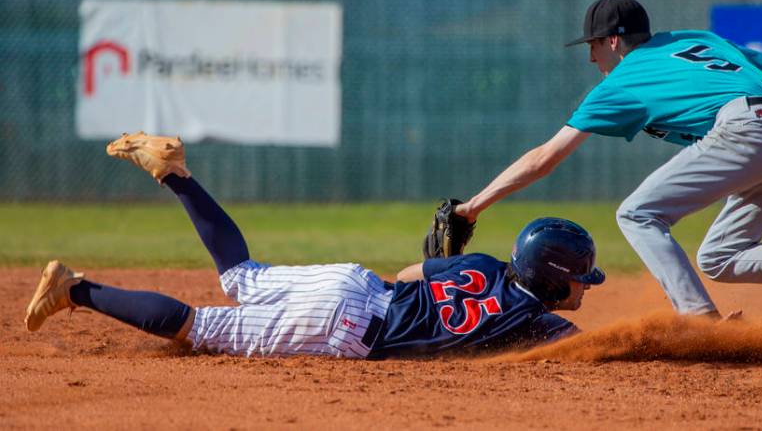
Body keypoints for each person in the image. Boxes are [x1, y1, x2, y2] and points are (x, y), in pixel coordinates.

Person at [453, 0, 762, 337]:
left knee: (637, 213)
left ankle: (698, 321)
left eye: (594, 45)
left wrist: (472, 207)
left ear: (614, 41)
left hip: (750, 128)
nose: (591, 58)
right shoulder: (691, 40)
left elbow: (545, 158)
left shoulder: (623, 78)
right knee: (719, 257)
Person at [24, 132, 605, 358]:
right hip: (348, 326)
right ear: (552, 276)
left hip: (355, 284)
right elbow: (596, 347)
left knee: (242, 276)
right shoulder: (537, 323)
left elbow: (409, 274)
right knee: (200, 329)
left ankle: (176, 174)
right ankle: (75, 290)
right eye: (581, 276)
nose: (584, 285)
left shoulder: (482, 264)